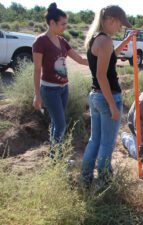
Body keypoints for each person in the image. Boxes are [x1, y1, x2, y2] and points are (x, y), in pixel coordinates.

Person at [81, 5, 137, 186]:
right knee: (106, 144)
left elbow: (110, 57)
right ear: (111, 19)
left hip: (95, 96)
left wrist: (127, 40)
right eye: (120, 25)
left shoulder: (96, 39)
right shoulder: (105, 41)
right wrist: (113, 105)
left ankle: (86, 178)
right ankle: (104, 182)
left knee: (95, 140)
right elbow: (101, 75)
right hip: (107, 98)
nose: (120, 29)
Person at [32, 2, 88, 159]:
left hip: (64, 89)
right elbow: (37, 70)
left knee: (57, 124)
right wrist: (37, 95)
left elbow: (78, 58)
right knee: (61, 124)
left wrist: (100, 62)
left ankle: (55, 154)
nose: (65, 27)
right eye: (62, 24)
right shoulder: (40, 41)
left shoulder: (62, 41)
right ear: (52, 23)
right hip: (50, 90)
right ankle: (56, 158)